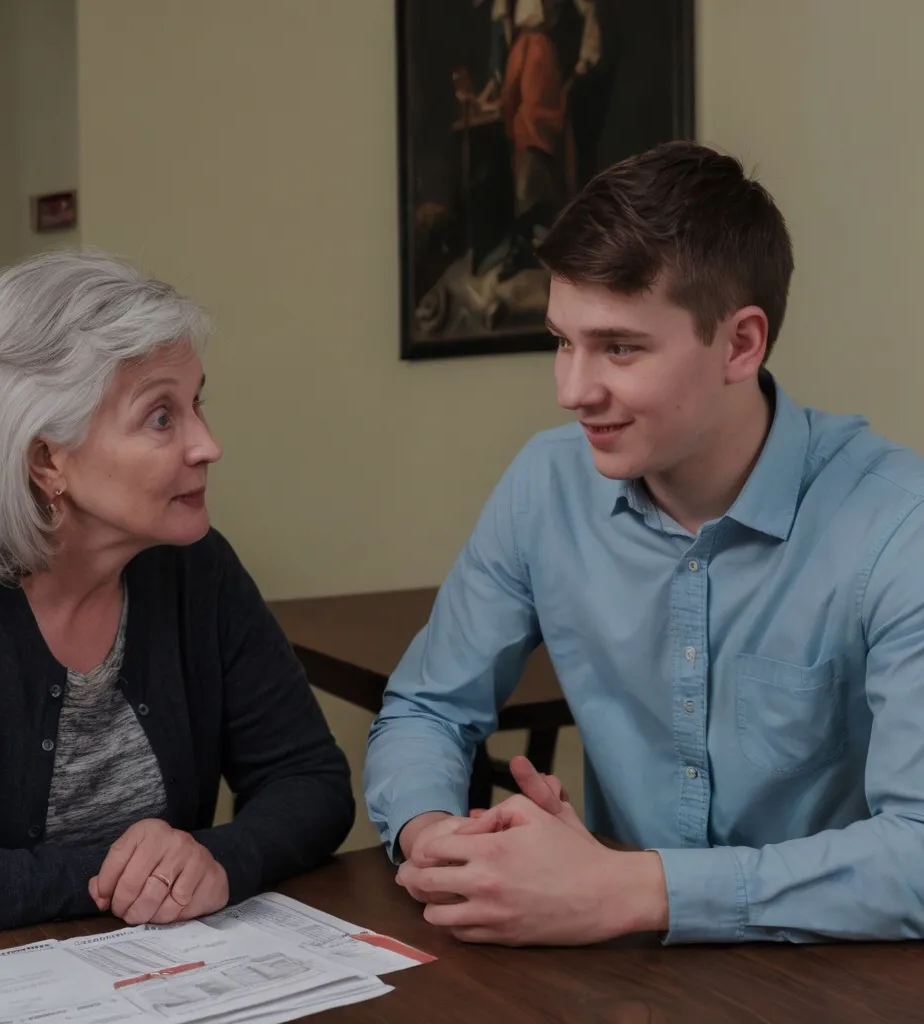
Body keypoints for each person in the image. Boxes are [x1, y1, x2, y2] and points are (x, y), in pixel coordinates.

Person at [365, 140, 924, 946]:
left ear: (740, 344)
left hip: (838, 980)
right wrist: (435, 838)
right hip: (617, 980)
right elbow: (425, 707)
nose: (571, 390)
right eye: (563, 340)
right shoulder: (545, 485)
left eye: (619, 348)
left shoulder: (898, 528)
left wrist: (630, 888)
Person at [0, 251, 354, 947]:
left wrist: (217, 859)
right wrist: (111, 878)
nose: (208, 445)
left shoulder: (197, 572)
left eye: (195, 403)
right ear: (46, 458)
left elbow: (310, 781)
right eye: (160, 418)